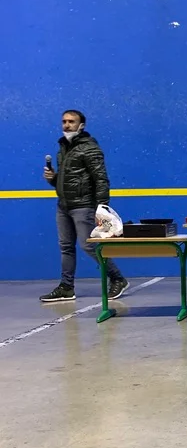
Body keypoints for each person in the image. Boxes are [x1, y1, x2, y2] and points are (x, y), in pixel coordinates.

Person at [41, 110, 128, 303]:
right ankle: (66, 287)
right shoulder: (63, 149)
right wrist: (53, 179)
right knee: (66, 247)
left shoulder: (90, 149)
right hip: (64, 206)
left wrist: (102, 207)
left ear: (81, 126)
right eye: (64, 121)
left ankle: (117, 278)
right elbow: (68, 181)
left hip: (84, 205)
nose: (67, 125)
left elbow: (101, 178)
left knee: (89, 245)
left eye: (71, 121)